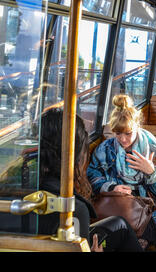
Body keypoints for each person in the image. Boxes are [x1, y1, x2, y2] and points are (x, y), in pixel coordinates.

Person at [37, 108, 143, 252]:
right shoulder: (73, 207)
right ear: (77, 154)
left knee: (119, 224)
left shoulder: (26, 183)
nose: (123, 139)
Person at [87, 94, 156, 251]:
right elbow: (92, 175)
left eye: (128, 133)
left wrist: (152, 172)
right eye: (118, 133)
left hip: (144, 212)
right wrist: (111, 187)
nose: (123, 139)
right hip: (113, 206)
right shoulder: (105, 149)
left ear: (137, 127)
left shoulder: (155, 151)